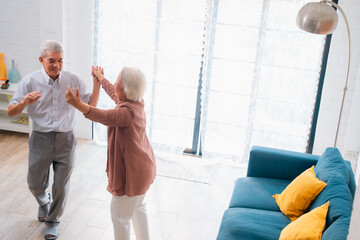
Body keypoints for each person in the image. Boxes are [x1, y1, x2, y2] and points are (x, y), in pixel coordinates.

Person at [7, 40, 100, 240]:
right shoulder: (30, 81)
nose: (56, 65)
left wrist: (96, 84)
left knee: (61, 184)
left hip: (66, 139)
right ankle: (43, 202)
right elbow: (11, 111)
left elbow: (91, 105)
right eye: (51, 60)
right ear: (41, 60)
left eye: (60, 60)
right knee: (34, 184)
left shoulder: (72, 80)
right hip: (40, 138)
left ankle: (53, 220)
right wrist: (25, 101)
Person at [65, 66, 156, 240]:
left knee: (120, 216)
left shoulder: (125, 113)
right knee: (138, 207)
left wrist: (79, 105)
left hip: (133, 173)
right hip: (143, 168)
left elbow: (105, 116)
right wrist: (101, 79)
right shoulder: (135, 102)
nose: (114, 84)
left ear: (127, 89)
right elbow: (115, 93)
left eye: (118, 82)